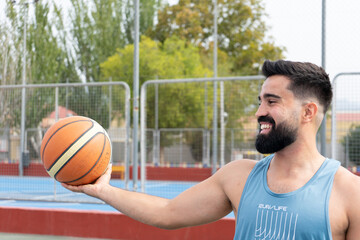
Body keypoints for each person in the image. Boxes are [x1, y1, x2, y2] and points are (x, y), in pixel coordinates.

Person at [62, 60, 360, 239]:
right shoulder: (239, 176)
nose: (258, 112)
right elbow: (168, 212)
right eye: (259, 101)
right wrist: (102, 190)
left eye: (271, 102)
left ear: (308, 112)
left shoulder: (350, 193)